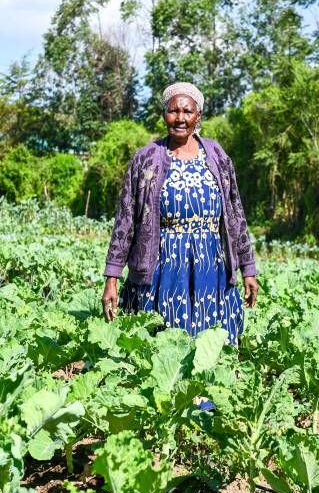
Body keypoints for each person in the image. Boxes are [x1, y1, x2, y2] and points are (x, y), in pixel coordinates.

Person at [101, 81, 258, 345]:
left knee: (211, 344)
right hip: (162, 264)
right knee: (159, 343)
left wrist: (248, 269)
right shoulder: (146, 158)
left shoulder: (216, 155)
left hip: (211, 263)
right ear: (164, 114)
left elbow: (235, 213)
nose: (180, 118)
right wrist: (112, 277)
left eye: (187, 111)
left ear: (198, 116)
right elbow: (125, 220)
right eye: (173, 111)